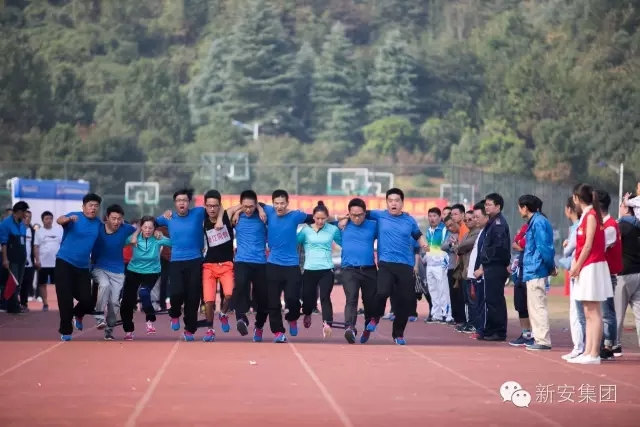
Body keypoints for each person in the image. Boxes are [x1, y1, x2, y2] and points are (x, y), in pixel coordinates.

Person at [365, 188, 430, 345]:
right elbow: (360, 212)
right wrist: (344, 219)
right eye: (390, 201)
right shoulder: (379, 215)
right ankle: (375, 317)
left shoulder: (409, 220)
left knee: (405, 301)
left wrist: (424, 243)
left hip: (405, 264)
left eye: (397, 201)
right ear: (386, 202)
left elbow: (417, 234)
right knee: (382, 292)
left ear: (402, 203)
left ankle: (398, 334)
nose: (393, 203)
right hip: (386, 262)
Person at [568, 184, 613, 365]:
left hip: (592, 266)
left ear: (577, 198)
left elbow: (588, 245)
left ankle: (594, 353)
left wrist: (577, 266)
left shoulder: (592, 216)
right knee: (588, 311)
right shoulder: (586, 216)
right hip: (586, 266)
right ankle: (587, 351)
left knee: (594, 311)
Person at [261, 189, 313, 343]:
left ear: (287, 203)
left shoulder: (296, 215)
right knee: (273, 302)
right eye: (276, 203)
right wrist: (259, 209)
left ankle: (292, 317)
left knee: (293, 299)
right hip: (273, 264)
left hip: (291, 265)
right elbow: (254, 203)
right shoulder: (268, 211)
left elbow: (315, 217)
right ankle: (278, 332)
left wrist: (340, 220)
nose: (279, 206)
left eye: (282, 203)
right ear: (272, 204)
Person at [156, 189, 207, 341]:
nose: (182, 203)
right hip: (176, 261)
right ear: (175, 203)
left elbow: (217, 209)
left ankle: (189, 330)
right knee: (176, 293)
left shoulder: (198, 213)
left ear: (189, 202)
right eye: (179, 201)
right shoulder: (169, 217)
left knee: (193, 297)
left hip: (195, 260)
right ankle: (175, 314)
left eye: (184, 200)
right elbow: (149, 223)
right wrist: (156, 231)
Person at [55, 193, 102, 341]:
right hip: (64, 262)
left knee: (88, 301)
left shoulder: (98, 224)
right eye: (90, 205)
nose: (93, 208)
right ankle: (66, 330)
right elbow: (59, 220)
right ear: (83, 207)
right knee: (65, 299)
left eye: (96, 206)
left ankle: (77, 313)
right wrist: (68, 219)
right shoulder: (74, 217)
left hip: (82, 267)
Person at [226, 191, 271, 342]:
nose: (248, 209)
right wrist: (239, 210)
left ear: (256, 204)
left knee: (263, 298)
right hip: (242, 260)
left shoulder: (263, 216)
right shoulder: (236, 217)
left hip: (260, 262)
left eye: (251, 206)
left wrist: (260, 208)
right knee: (240, 287)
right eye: (245, 206)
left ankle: (259, 327)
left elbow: (270, 208)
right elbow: (226, 213)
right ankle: (241, 319)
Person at [120, 217, 172, 340]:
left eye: (150, 228)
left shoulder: (158, 238)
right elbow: (120, 243)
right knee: (127, 301)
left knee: (144, 292)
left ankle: (150, 320)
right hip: (133, 271)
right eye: (145, 227)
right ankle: (128, 331)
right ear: (141, 228)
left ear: (154, 229)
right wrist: (133, 235)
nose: (148, 230)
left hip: (152, 272)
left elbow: (173, 243)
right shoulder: (134, 238)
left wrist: (163, 234)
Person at [91, 204, 136, 340]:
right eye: (113, 218)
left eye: (119, 219)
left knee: (114, 302)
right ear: (107, 218)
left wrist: (136, 235)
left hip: (118, 271)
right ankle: (99, 316)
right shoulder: (98, 228)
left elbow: (141, 229)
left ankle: (109, 329)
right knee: (104, 285)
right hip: (99, 267)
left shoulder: (126, 228)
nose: (116, 222)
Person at [298, 201, 342, 339]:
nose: (320, 221)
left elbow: (343, 242)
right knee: (307, 299)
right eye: (317, 218)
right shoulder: (305, 230)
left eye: (323, 218)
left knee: (325, 297)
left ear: (327, 218)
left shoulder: (333, 230)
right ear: (313, 217)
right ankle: (307, 313)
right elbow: (295, 243)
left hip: (326, 269)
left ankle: (327, 324)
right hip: (309, 269)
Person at [518, 195, 555, 351]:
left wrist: (550, 265)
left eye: (520, 207)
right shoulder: (535, 222)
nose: (519, 210)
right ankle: (539, 338)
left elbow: (544, 246)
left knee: (538, 306)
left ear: (525, 208)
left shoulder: (538, 222)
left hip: (537, 269)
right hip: (532, 269)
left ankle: (543, 340)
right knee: (533, 306)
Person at [338, 198, 378, 344]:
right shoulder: (341, 225)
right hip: (349, 270)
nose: (357, 218)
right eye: (353, 215)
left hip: (369, 270)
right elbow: (321, 219)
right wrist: (341, 219)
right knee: (351, 298)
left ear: (365, 213)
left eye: (360, 215)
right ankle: (349, 328)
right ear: (348, 213)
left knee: (370, 301)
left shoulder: (373, 226)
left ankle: (367, 327)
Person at [473, 193, 511, 341]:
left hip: (495, 266)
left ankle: (499, 331)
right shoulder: (492, 222)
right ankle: (490, 329)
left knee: (495, 300)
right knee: (490, 299)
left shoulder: (498, 224)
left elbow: (498, 248)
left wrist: (485, 262)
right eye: (486, 204)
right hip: (491, 266)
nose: (486, 207)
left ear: (498, 206)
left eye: (489, 205)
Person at [201, 190, 234, 342]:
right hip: (209, 265)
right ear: (205, 206)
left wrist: (221, 218)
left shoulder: (227, 215)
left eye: (215, 206)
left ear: (220, 206)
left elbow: (244, 205)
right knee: (208, 300)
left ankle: (223, 314)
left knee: (229, 294)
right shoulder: (202, 218)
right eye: (209, 206)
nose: (212, 209)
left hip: (226, 265)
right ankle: (210, 330)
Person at [558, 198, 585, 360]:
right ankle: (583, 347)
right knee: (582, 311)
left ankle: (579, 347)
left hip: (578, 271)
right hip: (580, 270)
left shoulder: (579, 226)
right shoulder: (579, 225)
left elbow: (569, 250)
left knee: (577, 312)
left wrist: (568, 246)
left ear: (569, 209)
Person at [596, 190, 622, 360]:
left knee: (607, 312)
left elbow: (600, 246)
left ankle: (608, 345)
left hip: (608, 274)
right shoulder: (604, 224)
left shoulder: (610, 226)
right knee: (601, 311)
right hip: (601, 273)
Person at [613, 203, 640, 356]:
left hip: (624, 273)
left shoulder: (621, 226)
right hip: (638, 272)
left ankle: (615, 345)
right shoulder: (638, 226)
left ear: (626, 209)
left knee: (618, 312)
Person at [454, 210, 481, 333]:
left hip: (473, 271)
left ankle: (474, 323)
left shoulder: (477, 233)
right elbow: (460, 248)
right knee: (467, 299)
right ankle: (469, 322)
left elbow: (462, 246)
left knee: (472, 299)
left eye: (470, 219)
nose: (467, 222)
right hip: (465, 270)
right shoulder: (466, 234)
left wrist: (458, 246)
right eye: (465, 220)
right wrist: (459, 247)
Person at [423, 207, 452, 324]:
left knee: (443, 290)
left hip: (440, 264)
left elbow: (445, 246)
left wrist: (434, 251)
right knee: (433, 290)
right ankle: (437, 314)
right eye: (430, 216)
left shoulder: (444, 229)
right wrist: (426, 256)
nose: (432, 218)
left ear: (440, 217)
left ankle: (447, 315)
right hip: (430, 264)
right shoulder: (428, 231)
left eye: (434, 216)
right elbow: (427, 247)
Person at [508, 216, 533, 347]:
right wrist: (520, 244)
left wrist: (521, 244)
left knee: (532, 305)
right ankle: (525, 334)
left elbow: (524, 245)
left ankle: (534, 335)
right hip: (520, 272)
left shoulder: (537, 226)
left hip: (531, 271)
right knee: (520, 305)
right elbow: (516, 242)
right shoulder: (525, 227)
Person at [0, 201, 29, 314]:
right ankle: (12, 307)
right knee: (13, 282)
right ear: (19, 211)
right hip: (12, 257)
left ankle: (14, 304)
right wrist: (5, 259)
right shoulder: (6, 224)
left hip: (21, 257)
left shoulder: (22, 224)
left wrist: (25, 256)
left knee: (19, 283)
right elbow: (4, 243)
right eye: (24, 212)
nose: (25, 215)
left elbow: (23, 242)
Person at [468, 201, 490, 339]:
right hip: (475, 273)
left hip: (482, 273)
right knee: (477, 303)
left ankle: (483, 329)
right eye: (473, 217)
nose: (475, 220)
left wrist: (481, 268)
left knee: (483, 303)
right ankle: (480, 328)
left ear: (486, 216)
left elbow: (486, 253)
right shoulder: (481, 231)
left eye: (477, 217)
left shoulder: (487, 231)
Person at [34, 211, 63, 312]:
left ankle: (61, 303)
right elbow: (36, 247)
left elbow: (63, 245)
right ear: (42, 220)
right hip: (43, 263)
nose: (49, 221)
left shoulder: (58, 231)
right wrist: (37, 260)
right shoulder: (39, 232)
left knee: (59, 284)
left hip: (57, 262)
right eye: (46, 219)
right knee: (42, 284)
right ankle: (45, 303)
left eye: (50, 218)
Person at [442, 215, 466, 324]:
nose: (450, 228)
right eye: (447, 227)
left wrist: (456, 245)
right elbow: (443, 246)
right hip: (451, 267)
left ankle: (462, 319)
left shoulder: (464, 232)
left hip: (461, 267)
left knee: (460, 294)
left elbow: (462, 248)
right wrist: (451, 244)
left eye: (451, 225)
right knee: (453, 294)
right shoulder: (451, 235)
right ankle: (456, 318)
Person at [19, 210, 36, 312]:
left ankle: (24, 304)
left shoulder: (33, 231)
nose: (27, 219)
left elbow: (35, 246)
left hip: (30, 263)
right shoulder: (16, 230)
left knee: (26, 284)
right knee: (16, 284)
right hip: (18, 262)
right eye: (25, 217)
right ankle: (12, 304)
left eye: (29, 217)